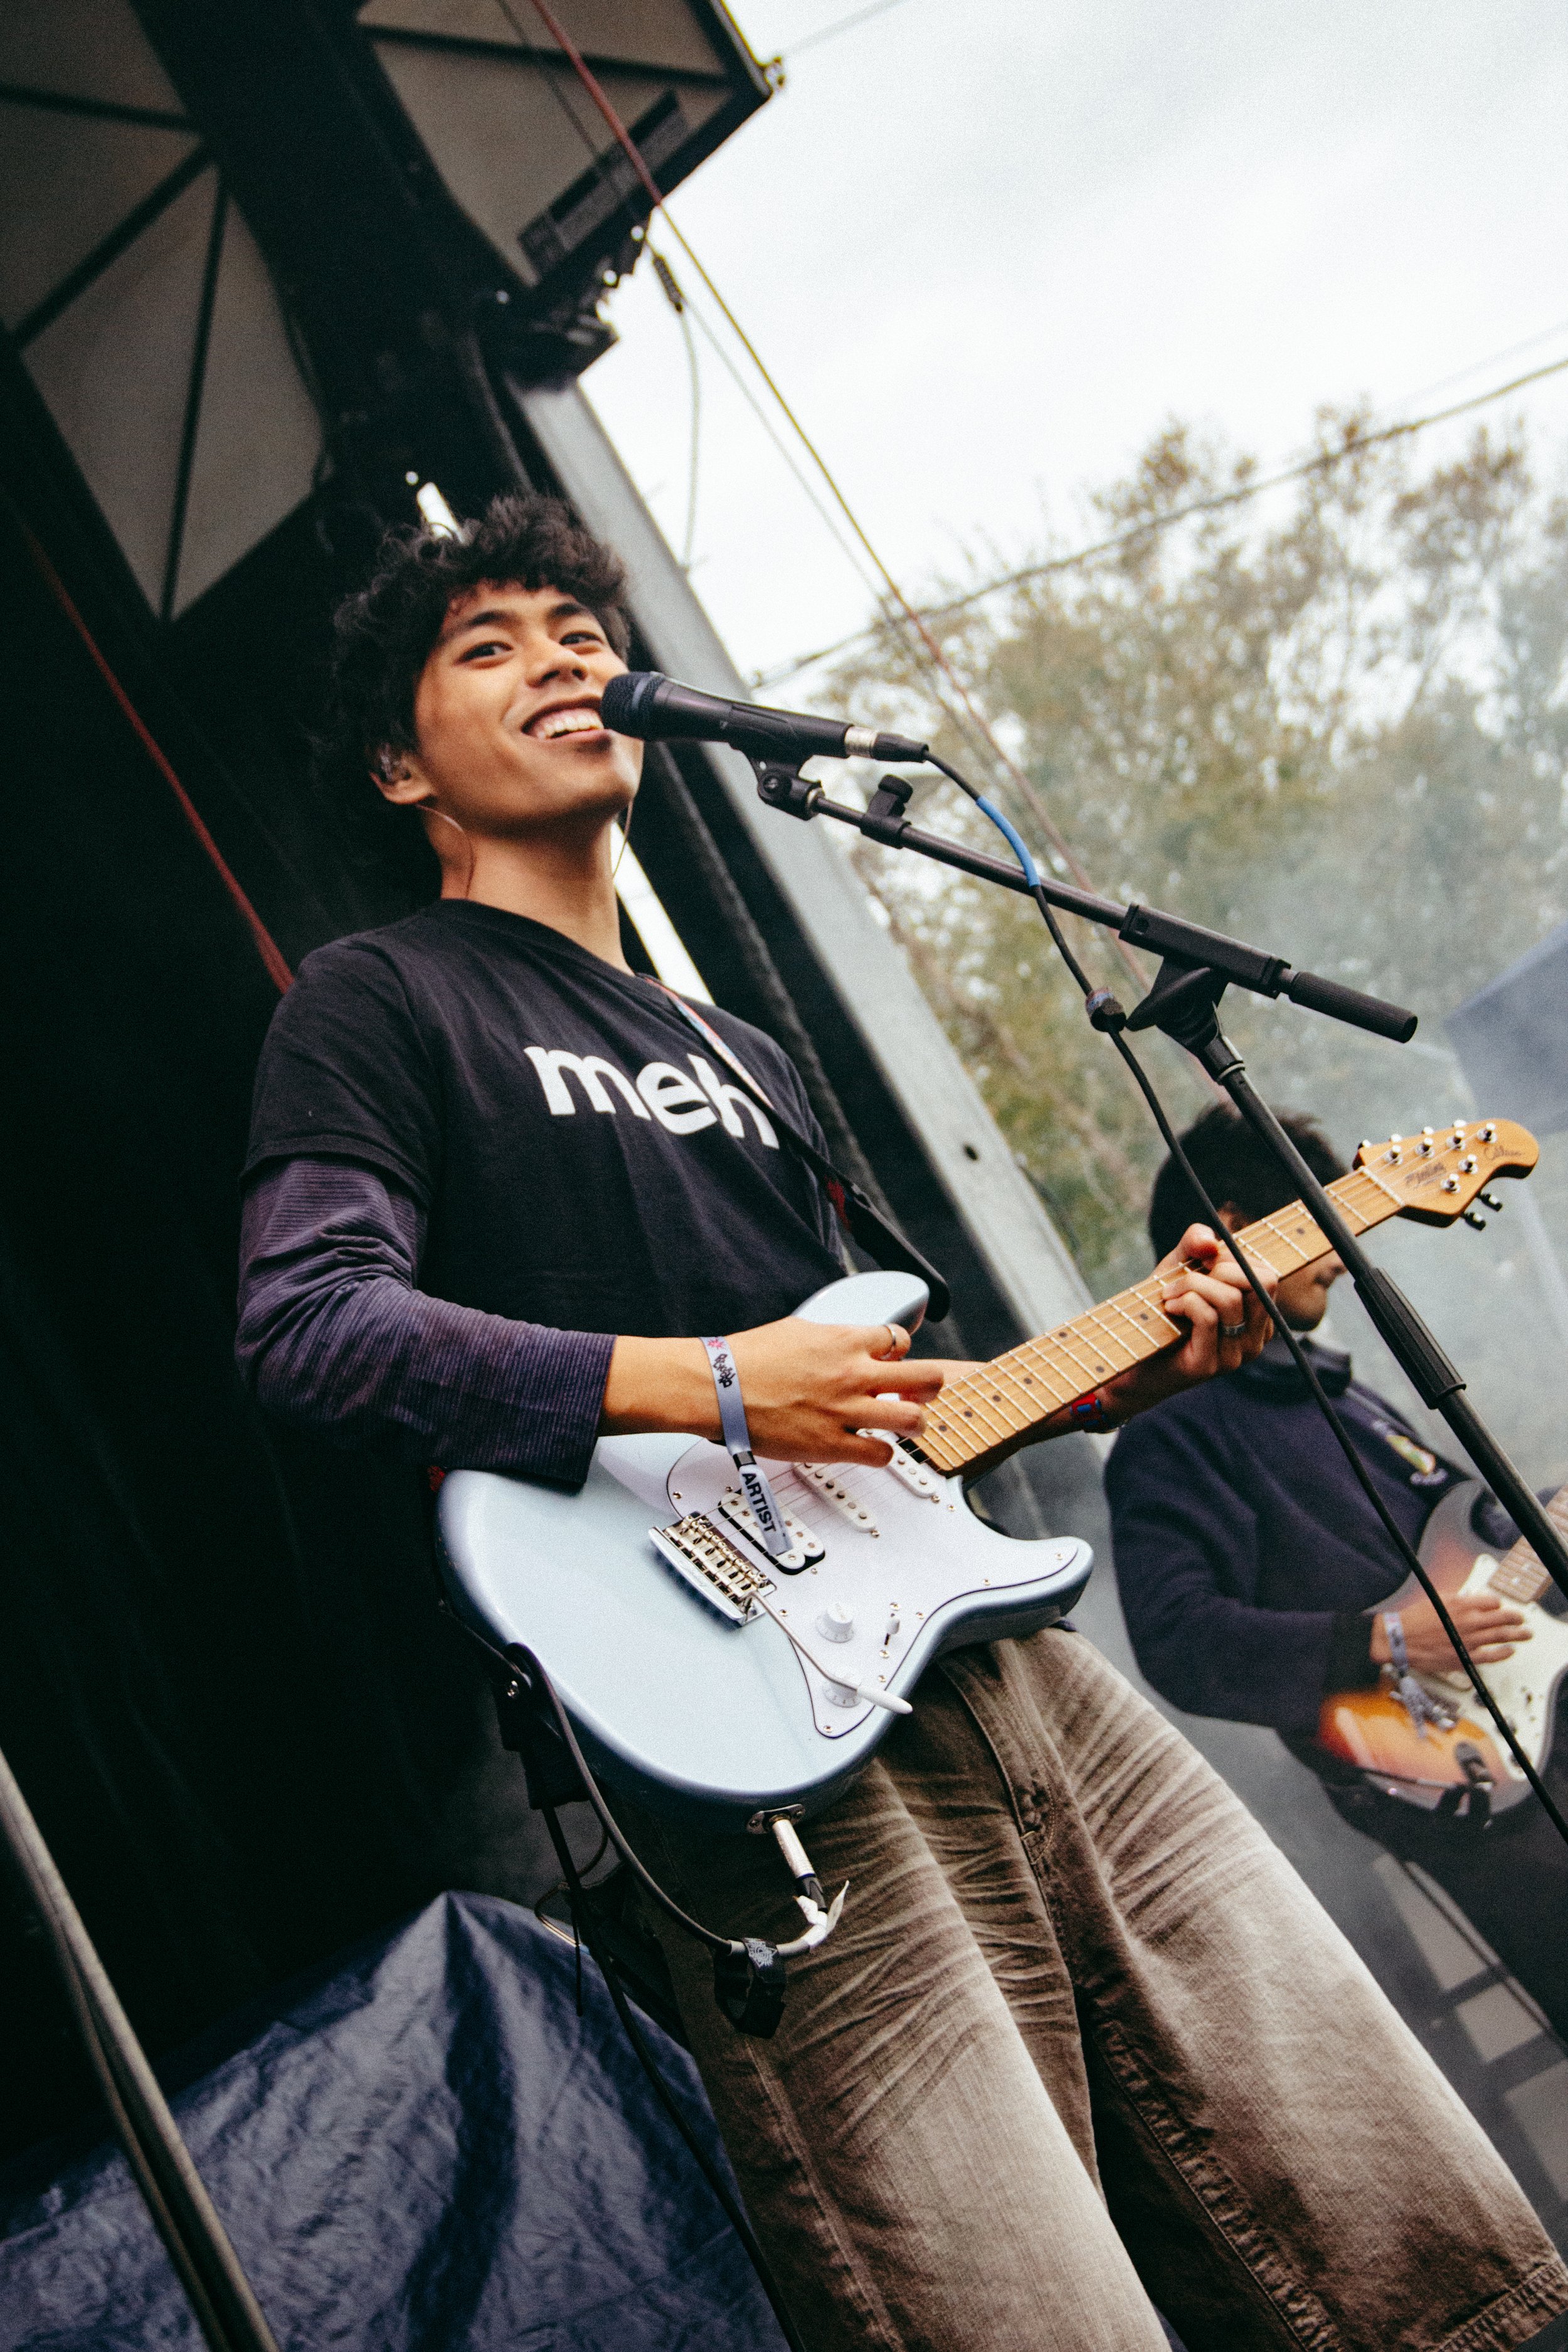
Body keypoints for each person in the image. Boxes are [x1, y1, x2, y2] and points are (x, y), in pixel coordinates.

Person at [236, 494, 1567, 2352]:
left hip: (1003, 1668)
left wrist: (1138, 1364)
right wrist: (708, 1381)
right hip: (741, 1743)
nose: (561, 660)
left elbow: (884, 1423)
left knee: (1384, 2197)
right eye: (490, 644)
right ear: (402, 766)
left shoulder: (742, 1055)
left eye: (579, 631)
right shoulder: (386, 999)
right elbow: (309, 1325)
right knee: (1010, 2295)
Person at [1106, 1101, 1568, 2037]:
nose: (1343, 1256)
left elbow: (1475, 1545)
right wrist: (1384, 1639)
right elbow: (1179, 1641)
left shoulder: (1341, 1393)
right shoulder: (1168, 1434)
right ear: (1237, 1227)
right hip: (1461, 1768)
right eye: (1322, 1221)